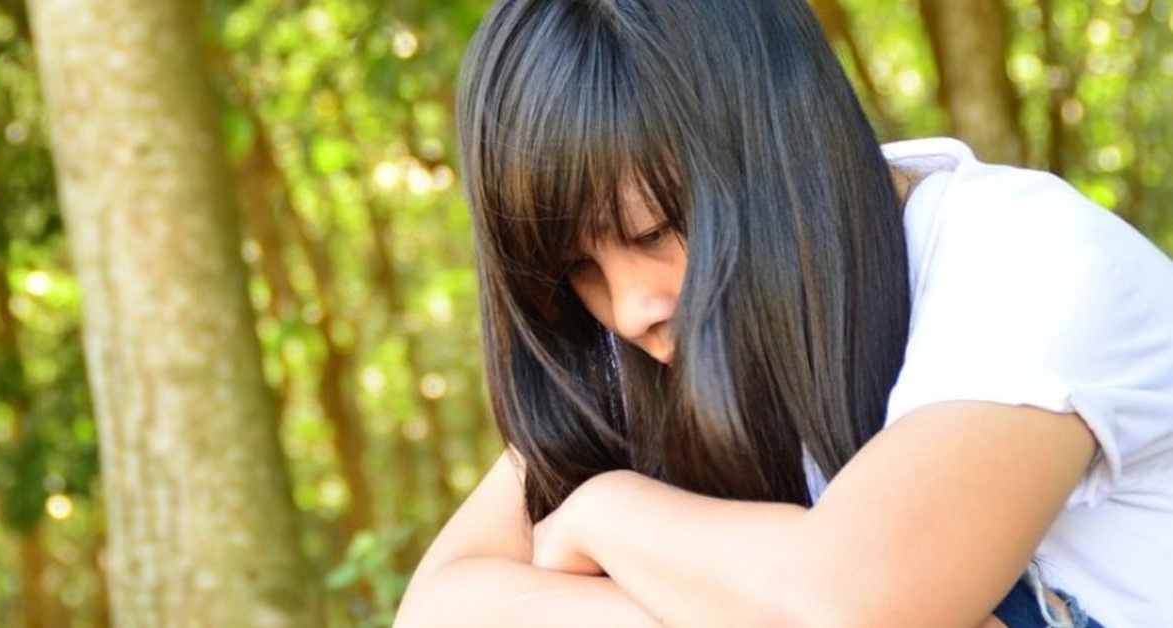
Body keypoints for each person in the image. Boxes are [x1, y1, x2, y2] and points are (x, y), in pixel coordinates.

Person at [392, 0, 1173, 626]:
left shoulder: (1025, 257)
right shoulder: (653, 334)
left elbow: (854, 608)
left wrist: (604, 511)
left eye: (656, 232)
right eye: (579, 270)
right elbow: (439, 608)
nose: (631, 309)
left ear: (774, 154)